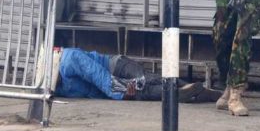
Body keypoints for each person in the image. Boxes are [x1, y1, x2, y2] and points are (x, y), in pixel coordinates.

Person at [53, 47, 220, 103]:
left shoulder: (69, 59)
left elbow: (99, 76)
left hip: (115, 67)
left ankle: (190, 89)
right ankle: (181, 93)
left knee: (143, 80)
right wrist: (125, 93)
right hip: (108, 87)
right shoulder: (57, 87)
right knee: (141, 92)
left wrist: (121, 93)